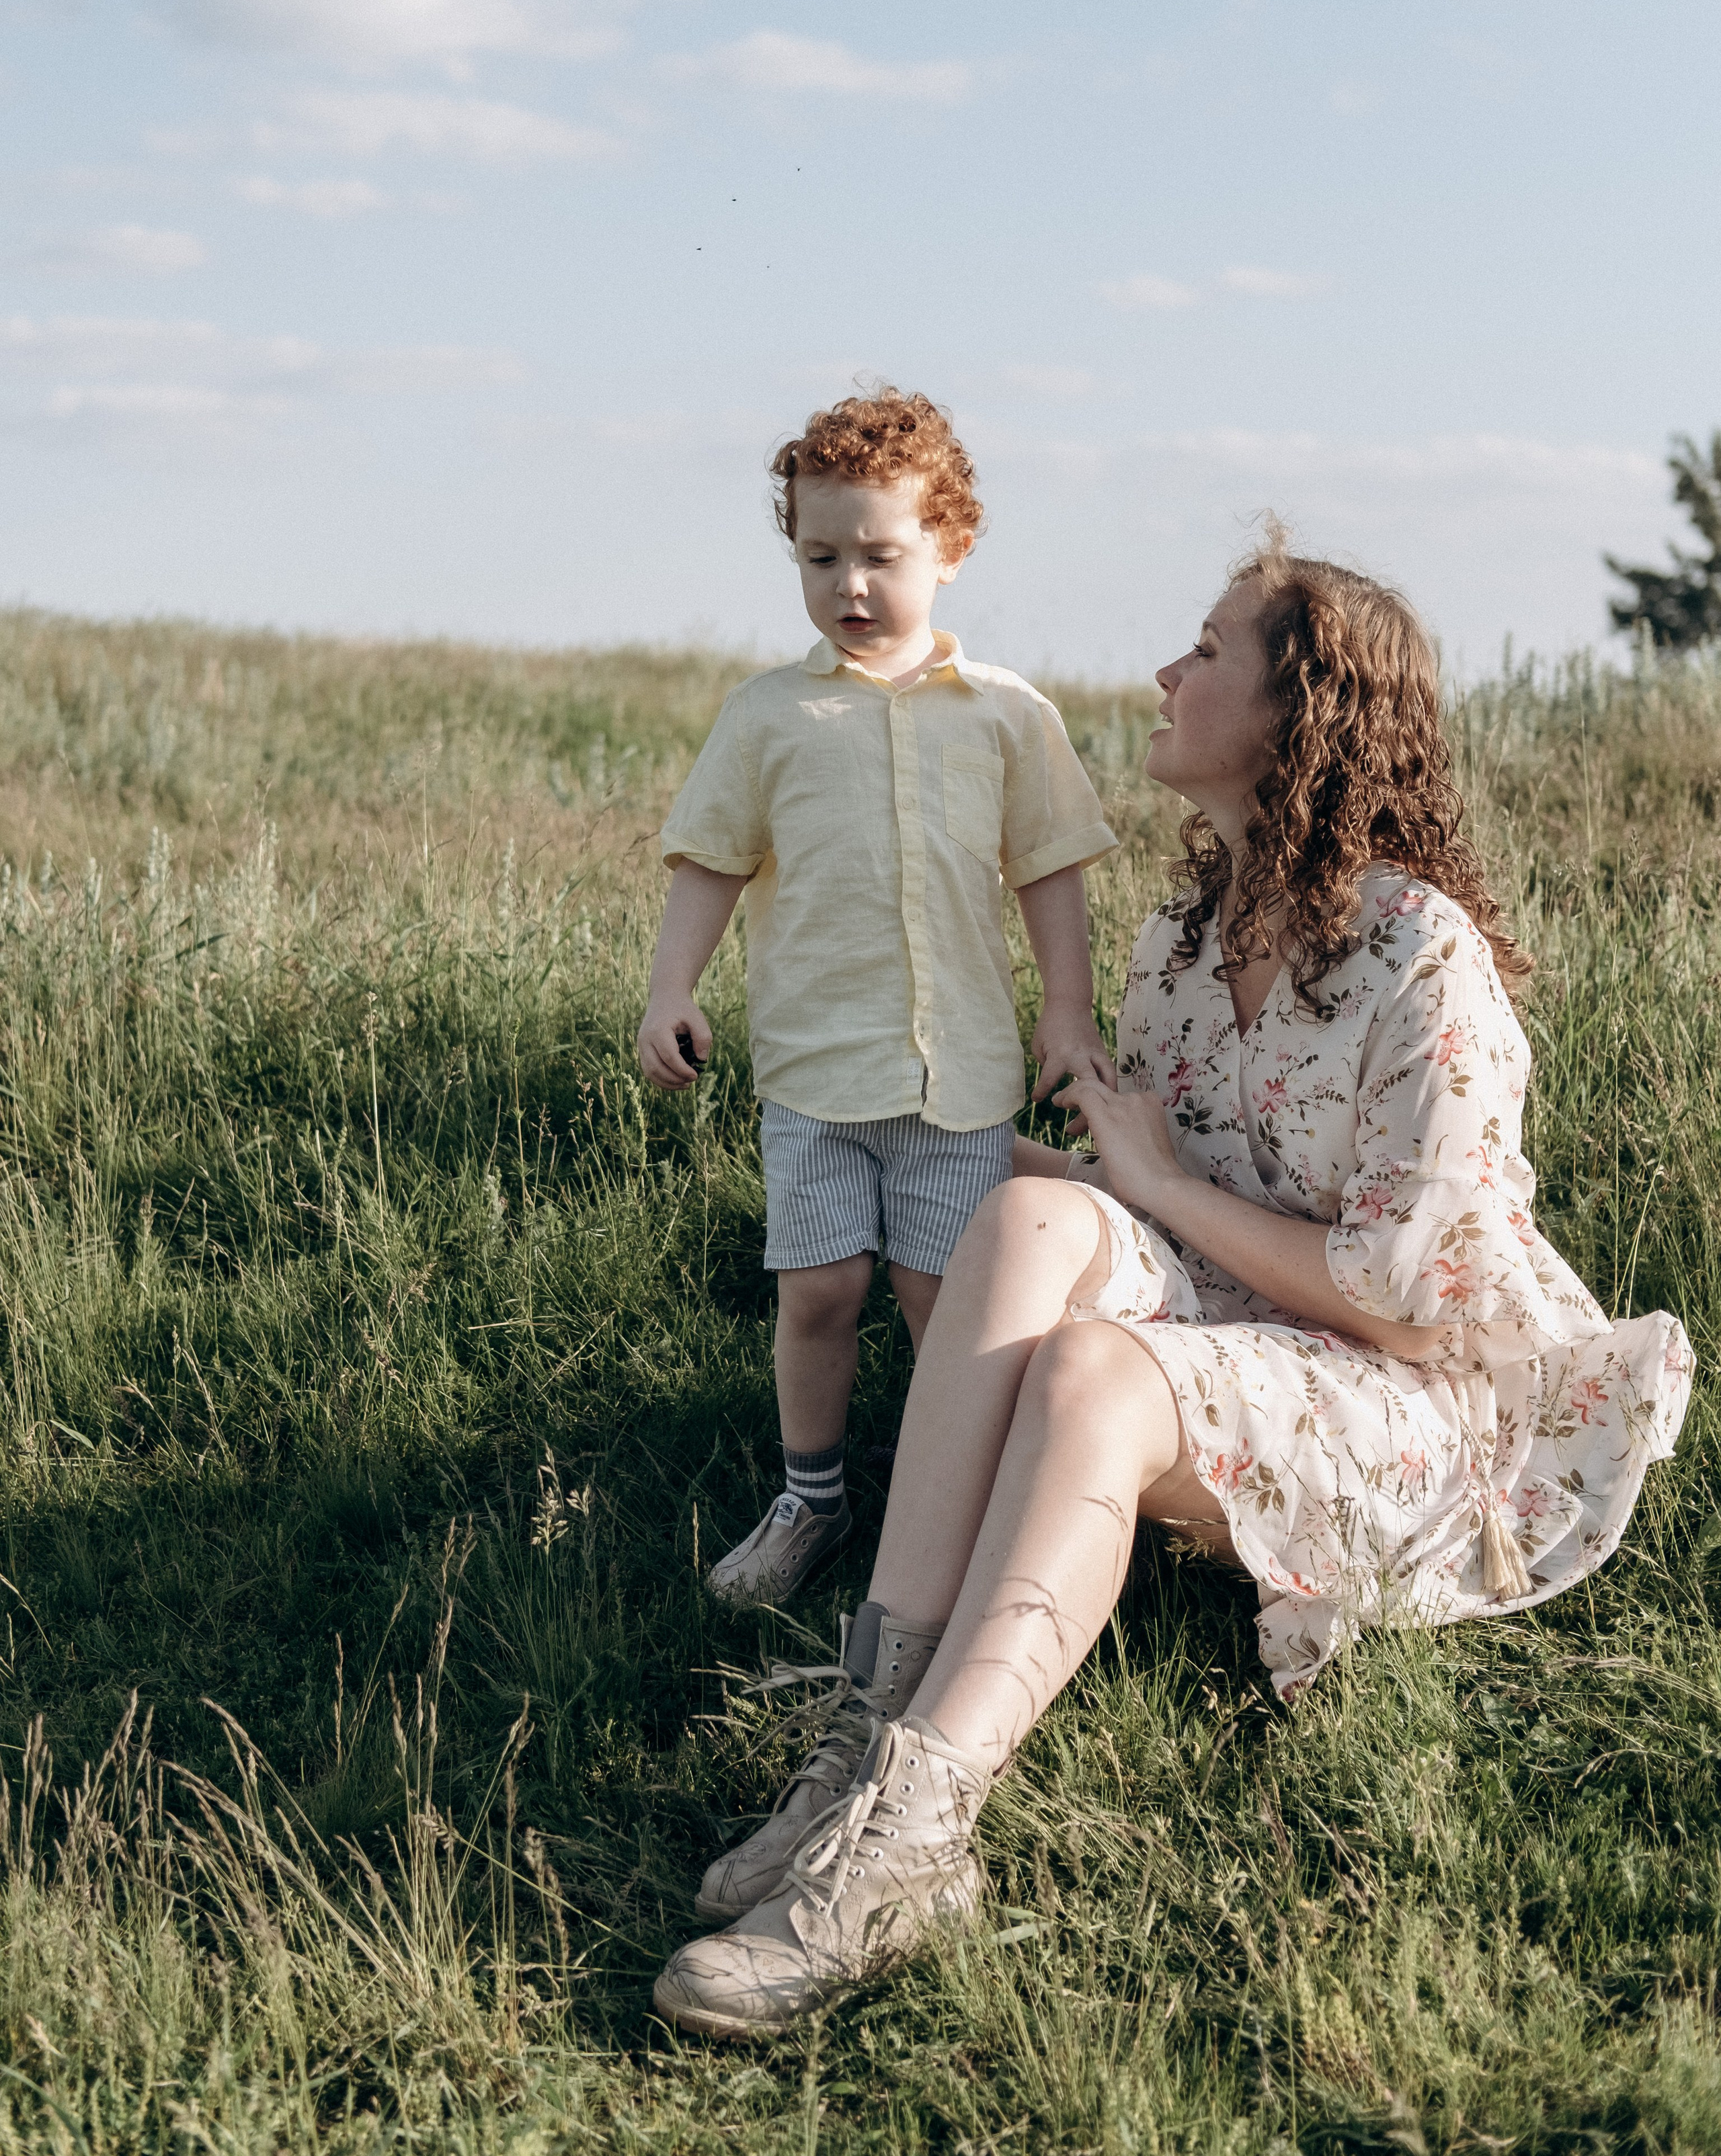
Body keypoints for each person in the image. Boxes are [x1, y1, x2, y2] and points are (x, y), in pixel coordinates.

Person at [651, 527, 1693, 2039]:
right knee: (1020, 1221)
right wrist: (925, 1143)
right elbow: (1145, 1186)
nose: (1164, 671)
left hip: (1422, 1398)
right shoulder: (1183, 943)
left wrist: (1153, 1189)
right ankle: (862, 1741)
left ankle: (917, 1837)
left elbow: (1406, 1302)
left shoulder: (1422, 957)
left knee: (1094, 1371)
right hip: (1250, 1324)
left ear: (1298, 713)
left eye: (1205, 650)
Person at [637, 387, 1119, 1615]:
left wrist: (1067, 1015)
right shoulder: (769, 715)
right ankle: (813, 1498)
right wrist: (671, 988)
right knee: (820, 1290)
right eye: (820, 557)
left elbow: (1051, 870)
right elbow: (710, 862)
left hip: (959, 1080)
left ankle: (953, 1507)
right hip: (816, 1074)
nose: (849, 585)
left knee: (942, 1306)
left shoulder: (1007, 714)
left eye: (880, 555)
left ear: (950, 547)